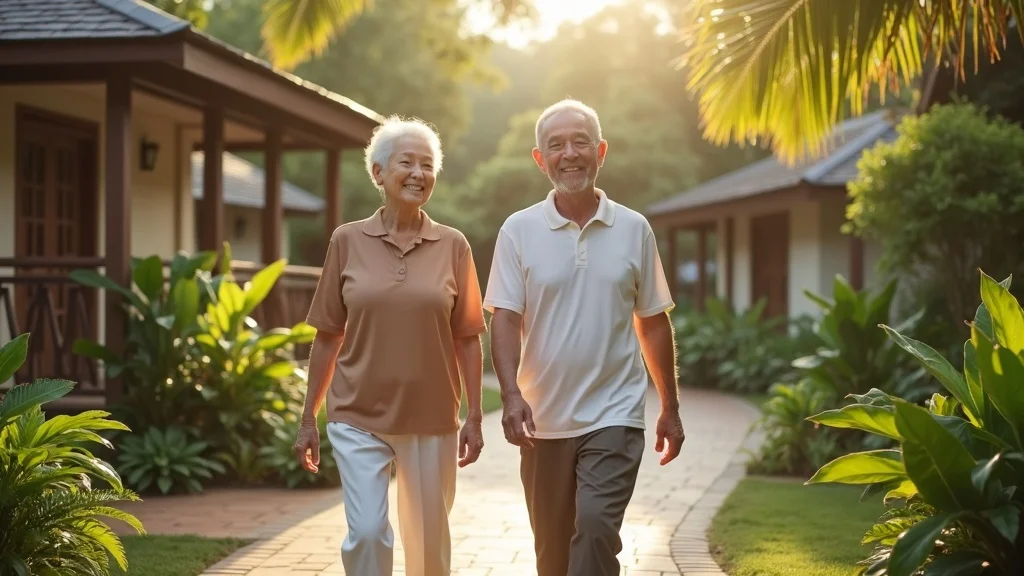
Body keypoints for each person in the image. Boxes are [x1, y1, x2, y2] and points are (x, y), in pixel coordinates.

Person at [483, 99, 685, 576]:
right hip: (543, 421)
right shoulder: (517, 230)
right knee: (552, 555)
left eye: (580, 142)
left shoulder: (634, 228)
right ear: (540, 159)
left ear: (601, 151)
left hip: (614, 413)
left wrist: (670, 407)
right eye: (556, 145)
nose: (569, 153)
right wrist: (510, 395)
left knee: (595, 528)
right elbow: (505, 318)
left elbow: (653, 321)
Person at [294, 116, 487, 576]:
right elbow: (328, 336)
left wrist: (476, 416)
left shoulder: (454, 246)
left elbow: (467, 338)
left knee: (428, 545)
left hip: (431, 416)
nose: (419, 173)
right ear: (378, 172)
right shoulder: (346, 240)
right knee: (366, 533)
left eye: (428, 164)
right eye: (407, 162)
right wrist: (307, 419)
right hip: (357, 414)